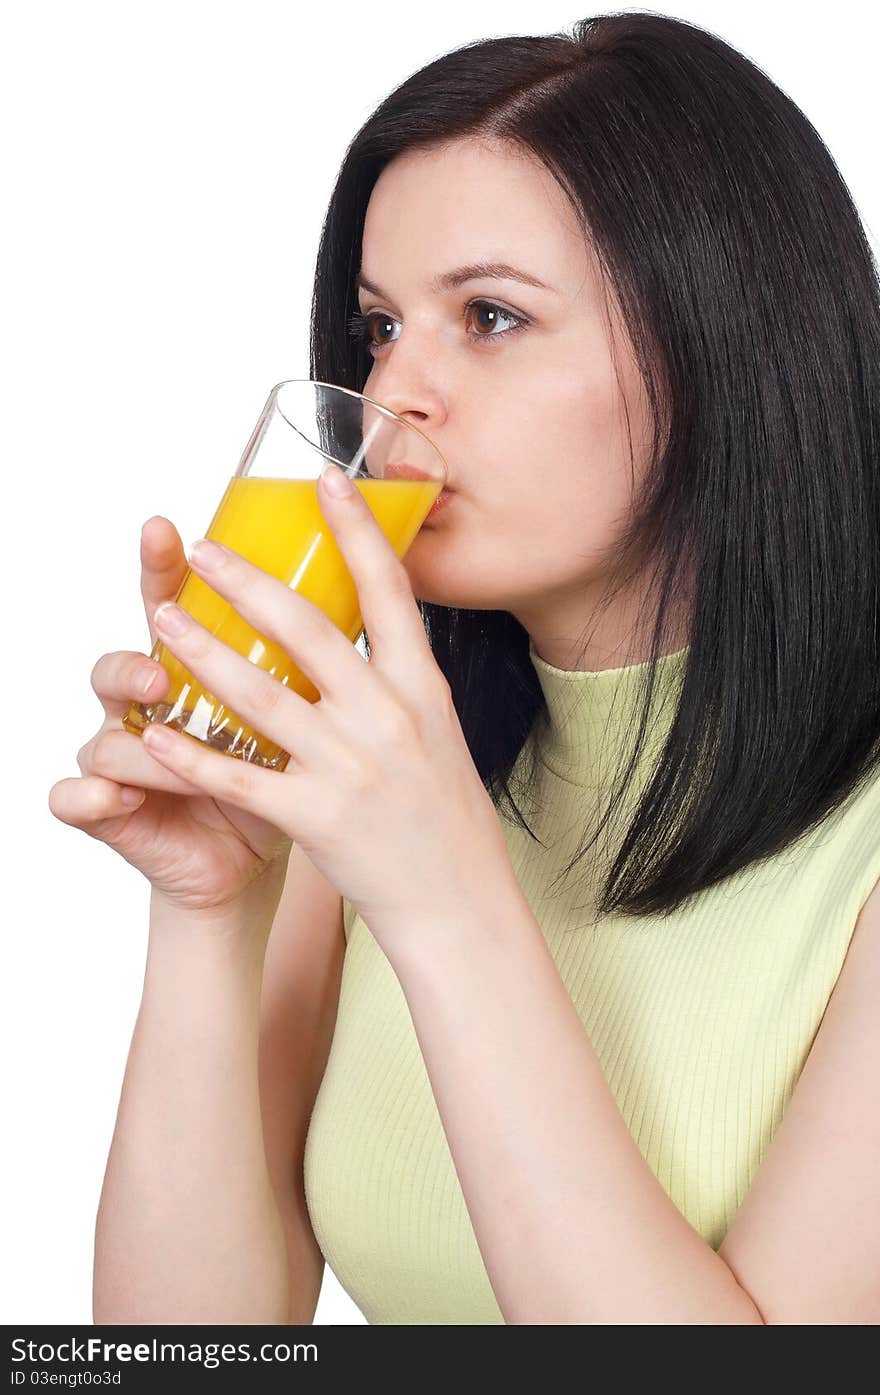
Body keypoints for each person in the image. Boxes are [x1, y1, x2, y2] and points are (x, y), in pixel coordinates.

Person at [49, 12, 880, 1324]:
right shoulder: (382, 769)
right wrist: (208, 913)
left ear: (725, 351)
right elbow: (188, 1354)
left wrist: (444, 902)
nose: (397, 395)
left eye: (490, 316)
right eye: (378, 326)